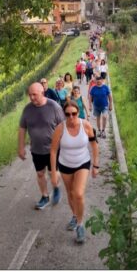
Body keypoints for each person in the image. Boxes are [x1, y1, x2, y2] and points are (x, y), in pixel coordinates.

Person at [49, 101, 99, 243]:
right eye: (67, 114)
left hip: (83, 163)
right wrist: (54, 172)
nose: (71, 117)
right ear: (64, 115)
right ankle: (75, 216)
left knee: (78, 193)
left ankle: (80, 225)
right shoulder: (60, 128)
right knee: (70, 194)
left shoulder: (86, 126)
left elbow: (94, 146)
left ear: (78, 113)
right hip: (65, 165)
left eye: (74, 114)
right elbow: (53, 150)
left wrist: (96, 165)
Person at [18, 83, 65, 210]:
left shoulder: (54, 107)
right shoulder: (27, 109)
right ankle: (44, 196)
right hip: (36, 149)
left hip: (53, 149)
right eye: (30, 95)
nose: (32, 98)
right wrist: (21, 147)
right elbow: (22, 128)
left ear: (42, 93)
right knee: (40, 173)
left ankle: (56, 187)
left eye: (35, 95)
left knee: (52, 172)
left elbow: (63, 126)